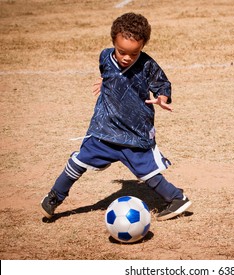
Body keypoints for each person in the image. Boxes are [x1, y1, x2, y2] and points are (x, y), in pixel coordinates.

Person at [40, 12, 192, 221]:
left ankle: (177, 199)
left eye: (134, 53)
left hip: (134, 133)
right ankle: (54, 197)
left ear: (143, 46)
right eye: (122, 52)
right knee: (78, 161)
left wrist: (162, 97)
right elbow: (109, 72)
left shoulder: (147, 65)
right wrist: (107, 82)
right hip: (105, 130)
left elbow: (162, 84)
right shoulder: (104, 56)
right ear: (113, 43)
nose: (127, 57)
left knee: (148, 174)